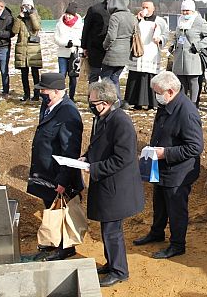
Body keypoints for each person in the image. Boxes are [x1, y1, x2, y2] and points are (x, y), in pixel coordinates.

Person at [133, 71, 203, 259]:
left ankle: (177, 244)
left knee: (176, 209)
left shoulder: (186, 112)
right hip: (162, 168)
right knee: (160, 203)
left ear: (170, 92)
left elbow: (195, 147)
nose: (155, 96)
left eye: (157, 92)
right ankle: (157, 232)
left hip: (179, 171)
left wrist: (166, 153)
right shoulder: (166, 105)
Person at [82, 80, 144, 287]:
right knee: (106, 227)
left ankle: (119, 270)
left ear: (105, 102)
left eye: (93, 102)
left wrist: (95, 168)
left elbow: (123, 158)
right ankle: (111, 263)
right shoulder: (101, 117)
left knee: (112, 230)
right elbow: (97, 146)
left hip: (117, 187)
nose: (90, 105)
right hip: (106, 183)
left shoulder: (121, 122)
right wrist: (86, 157)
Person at [26, 73, 84, 261]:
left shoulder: (68, 113)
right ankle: (53, 241)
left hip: (58, 174)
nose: (42, 94)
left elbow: (70, 150)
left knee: (61, 211)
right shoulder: (49, 105)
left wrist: (63, 179)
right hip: (45, 171)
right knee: (50, 207)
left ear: (57, 92)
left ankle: (65, 247)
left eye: (45, 91)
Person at [124, 1, 169, 110]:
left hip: (151, 51)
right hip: (138, 51)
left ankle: (151, 103)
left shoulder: (159, 21)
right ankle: (135, 102)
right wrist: (137, 20)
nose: (145, 9)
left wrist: (160, 39)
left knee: (149, 77)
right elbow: (130, 30)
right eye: (143, 7)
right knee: (136, 76)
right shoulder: (137, 19)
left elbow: (165, 34)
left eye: (147, 7)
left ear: (153, 9)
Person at [171, 0, 207, 104]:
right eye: (183, 10)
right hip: (180, 57)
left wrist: (198, 46)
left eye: (187, 10)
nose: (185, 13)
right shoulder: (180, 20)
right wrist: (173, 45)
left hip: (193, 57)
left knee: (193, 81)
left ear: (192, 10)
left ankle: (193, 104)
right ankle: (182, 103)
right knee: (181, 81)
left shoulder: (199, 21)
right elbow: (177, 36)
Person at [102, 0, 136, 107]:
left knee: (106, 78)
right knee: (115, 77)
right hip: (125, 52)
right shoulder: (132, 17)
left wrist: (105, 45)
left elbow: (111, 35)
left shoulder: (115, 17)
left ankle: (112, 100)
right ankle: (118, 101)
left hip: (113, 52)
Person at [81, 0, 116, 83]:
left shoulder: (119, 12)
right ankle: (92, 97)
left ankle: (108, 97)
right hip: (95, 48)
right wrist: (84, 46)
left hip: (112, 49)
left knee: (110, 77)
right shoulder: (95, 9)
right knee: (94, 75)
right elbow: (86, 28)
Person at [12, 0, 42, 101]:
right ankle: (26, 94)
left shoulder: (36, 16)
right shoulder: (20, 18)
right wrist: (19, 18)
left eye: (28, 5)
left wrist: (31, 14)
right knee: (24, 73)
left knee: (35, 73)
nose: (26, 7)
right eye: (24, 5)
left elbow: (37, 27)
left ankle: (37, 94)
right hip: (22, 49)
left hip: (33, 48)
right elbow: (15, 31)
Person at [54, 2, 83, 100]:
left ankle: (71, 96)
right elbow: (56, 39)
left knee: (73, 76)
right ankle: (60, 94)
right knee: (61, 75)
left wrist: (74, 43)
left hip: (74, 53)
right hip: (62, 53)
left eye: (70, 15)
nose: (68, 16)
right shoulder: (59, 24)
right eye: (67, 14)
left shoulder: (80, 25)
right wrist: (65, 43)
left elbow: (82, 39)